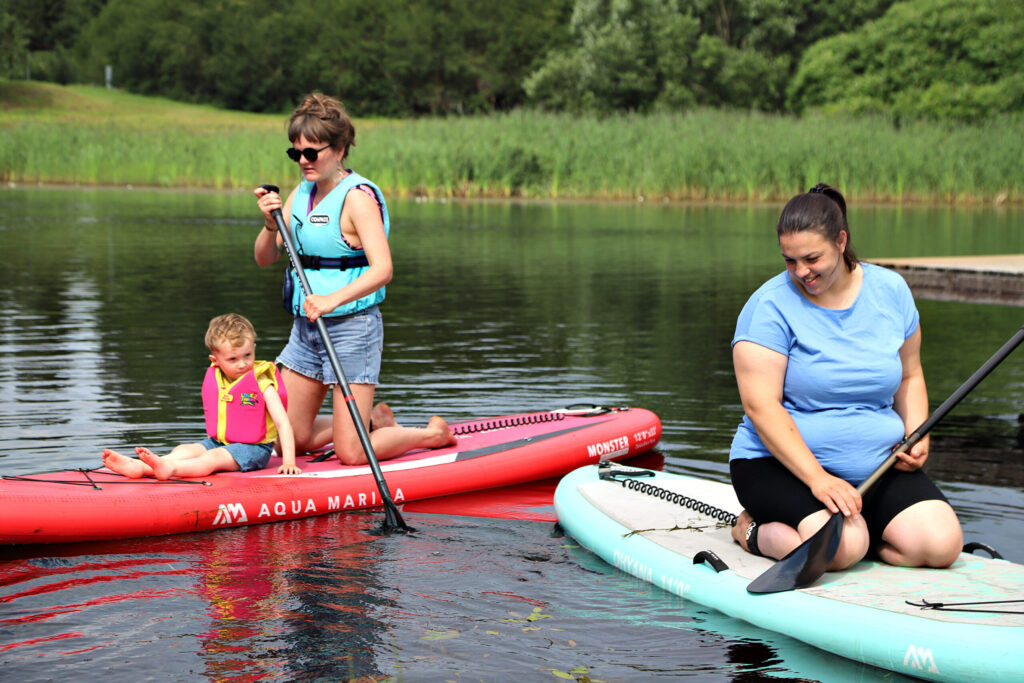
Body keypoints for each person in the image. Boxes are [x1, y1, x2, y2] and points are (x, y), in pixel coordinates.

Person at [728, 183, 962, 570]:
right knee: (842, 548)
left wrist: (917, 433)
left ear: (841, 240)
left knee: (940, 545)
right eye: (789, 260)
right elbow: (760, 406)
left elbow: (909, 376)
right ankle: (752, 530)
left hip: (876, 466)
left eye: (811, 258)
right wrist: (818, 478)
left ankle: (863, 528)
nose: (801, 272)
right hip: (779, 465)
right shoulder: (768, 306)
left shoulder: (891, 291)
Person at [252, 92, 455, 465]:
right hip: (307, 328)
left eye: (311, 153)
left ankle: (431, 434)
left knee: (351, 452)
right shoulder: (301, 193)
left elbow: (383, 270)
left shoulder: (358, 198)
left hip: (352, 327)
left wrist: (332, 300)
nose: (302, 161)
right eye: (295, 153)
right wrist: (269, 225)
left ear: (340, 149)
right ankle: (373, 421)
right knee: (287, 441)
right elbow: (265, 258)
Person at [102, 313, 299, 479]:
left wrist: (288, 461)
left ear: (253, 349)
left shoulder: (263, 385)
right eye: (233, 359)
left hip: (254, 450)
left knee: (211, 458)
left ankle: (166, 469)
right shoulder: (217, 379)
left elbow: (283, 424)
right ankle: (149, 466)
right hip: (219, 442)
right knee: (185, 450)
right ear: (216, 360)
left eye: (247, 355)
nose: (242, 364)